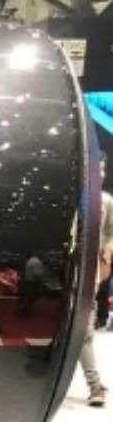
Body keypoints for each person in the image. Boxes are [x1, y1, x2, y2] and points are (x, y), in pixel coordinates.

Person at [79, 158, 113, 407]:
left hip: (91, 276)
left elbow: (111, 232)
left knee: (84, 332)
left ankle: (95, 386)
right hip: (69, 273)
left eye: (102, 169)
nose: (99, 173)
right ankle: (95, 385)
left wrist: (106, 257)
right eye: (95, 168)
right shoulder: (75, 199)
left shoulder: (106, 200)